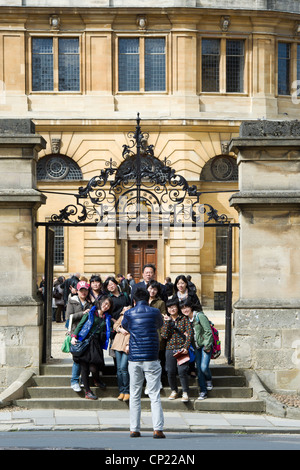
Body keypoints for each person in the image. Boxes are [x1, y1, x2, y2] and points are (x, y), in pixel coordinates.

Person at [121, 288, 165, 439]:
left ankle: (134, 429)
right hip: (152, 356)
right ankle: (157, 429)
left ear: (134, 300)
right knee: (154, 394)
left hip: (135, 356)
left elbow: (126, 327)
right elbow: (159, 325)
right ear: (148, 299)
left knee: (134, 394)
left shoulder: (129, 313)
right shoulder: (155, 312)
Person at [71, 296, 113, 400]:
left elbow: (109, 329)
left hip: (97, 343)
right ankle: (87, 391)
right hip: (86, 341)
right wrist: (74, 337)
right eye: (105, 303)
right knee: (84, 367)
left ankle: (96, 379)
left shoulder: (107, 317)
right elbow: (80, 325)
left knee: (95, 366)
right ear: (100, 302)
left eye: (108, 305)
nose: (106, 306)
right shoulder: (90, 313)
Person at [161, 298, 193, 403]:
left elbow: (189, 334)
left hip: (181, 348)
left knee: (182, 370)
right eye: (170, 307)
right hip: (170, 348)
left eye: (174, 307)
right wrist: (167, 323)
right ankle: (174, 390)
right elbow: (164, 335)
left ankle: (185, 392)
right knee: (170, 371)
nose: (172, 309)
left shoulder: (183, 319)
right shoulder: (166, 320)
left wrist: (186, 347)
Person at [66, 280, 92, 392]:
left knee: (85, 359)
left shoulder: (90, 302)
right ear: (77, 291)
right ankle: (74, 381)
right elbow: (69, 318)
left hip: (86, 334)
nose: (83, 292)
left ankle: (83, 379)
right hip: (75, 334)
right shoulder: (72, 302)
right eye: (81, 290)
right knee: (77, 359)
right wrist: (82, 313)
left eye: (85, 290)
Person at [189, 301, 214, 400]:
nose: (185, 310)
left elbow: (208, 331)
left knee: (203, 367)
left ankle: (209, 379)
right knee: (199, 369)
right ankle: (203, 391)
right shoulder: (186, 319)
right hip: (196, 347)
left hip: (204, 346)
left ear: (191, 307)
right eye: (182, 308)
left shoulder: (199, 316)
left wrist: (207, 346)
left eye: (187, 307)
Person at [110, 306, 131, 402]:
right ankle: (121, 391)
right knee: (118, 369)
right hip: (118, 342)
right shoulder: (121, 315)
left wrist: (128, 344)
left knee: (123, 368)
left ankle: (127, 391)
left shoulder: (133, 317)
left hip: (127, 344)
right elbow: (115, 325)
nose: (125, 309)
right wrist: (119, 329)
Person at [147, 280, 167, 380]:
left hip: (156, 332)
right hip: (145, 333)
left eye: (155, 289)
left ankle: (160, 380)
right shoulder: (142, 301)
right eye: (150, 288)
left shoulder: (160, 303)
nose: (152, 291)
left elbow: (163, 318)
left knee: (159, 358)